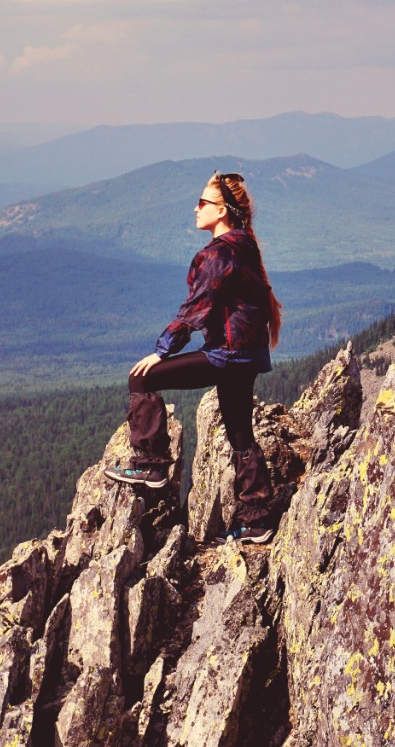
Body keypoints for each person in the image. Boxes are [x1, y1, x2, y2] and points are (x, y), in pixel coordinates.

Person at [105, 171, 283, 544]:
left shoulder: (217, 254)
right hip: (247, 355)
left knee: (142, 378)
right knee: (239, 432)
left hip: (227, 355)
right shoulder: (245, 243)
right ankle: (257, 520)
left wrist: (160, 351)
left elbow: (194, 311)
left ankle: (149, 464)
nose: (195, 208)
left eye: (202, 202)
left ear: (221, 211)